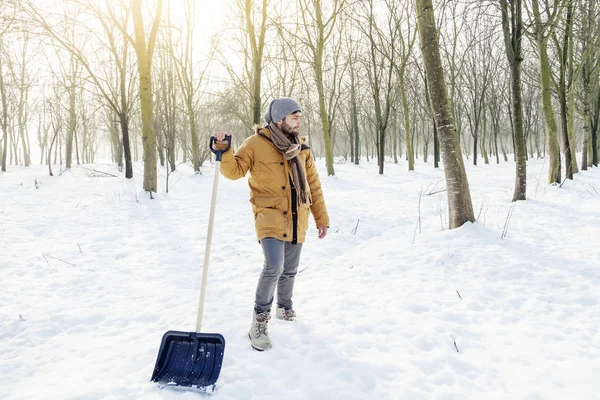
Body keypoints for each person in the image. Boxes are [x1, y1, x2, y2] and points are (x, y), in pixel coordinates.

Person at [212, 97, 329, 351]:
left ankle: (284, 307)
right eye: (294, 117)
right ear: (280, 119)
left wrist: (322, 218)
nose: (299, 122)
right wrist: (224, 150)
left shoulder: (303, 149)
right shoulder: (256, 144)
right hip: (269, 215)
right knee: (274, 265)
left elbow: (314, 187)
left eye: (300, 117)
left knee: (290, 269)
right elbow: (235, 171)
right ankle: (259, 321)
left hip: (298, 214)